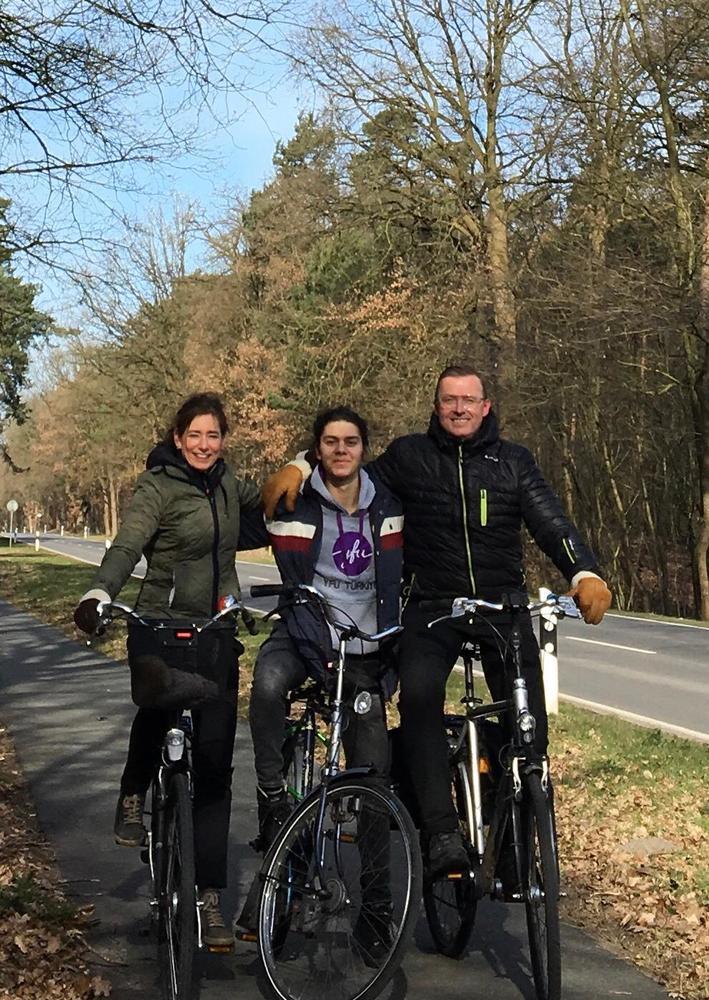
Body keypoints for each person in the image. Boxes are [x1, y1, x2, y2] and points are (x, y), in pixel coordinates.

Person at [263, 365, 612, 877]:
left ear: (486, 407)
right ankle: (442, 832)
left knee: (526, 719)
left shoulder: (513, 462)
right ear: (436, 406)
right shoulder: (409, 457)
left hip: (501, 605)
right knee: (420, 697)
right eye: (449, 399)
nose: (459, 408)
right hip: (433, 606)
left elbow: (550, 520)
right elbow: (345, 472)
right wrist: (299, 465)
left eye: (469, 400)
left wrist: (583, 571)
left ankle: (517, 837)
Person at [73, 392, 262, 950]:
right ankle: (134, 790)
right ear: (178, 438)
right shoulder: (157, 487)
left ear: (222, 439)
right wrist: (99, 591)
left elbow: (277, 499)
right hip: (157, 623)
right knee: (155, 700)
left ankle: (207, 896)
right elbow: (128, 545)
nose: (205, 445)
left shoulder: (231, 485)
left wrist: (304, 466)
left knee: (214, 766)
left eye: (214, 435)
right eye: (195, 435)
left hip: (216, 631)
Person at [236, 404, 403, 953]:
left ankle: (376, 914)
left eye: (350, 441)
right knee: (265, 684)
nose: (340, 450)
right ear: (316, 450)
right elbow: (217, 522)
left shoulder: (391, 504)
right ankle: (271, 795)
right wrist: (292, 467)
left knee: (373, 781)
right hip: (303, 635)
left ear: (364, 448)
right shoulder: (291, 500)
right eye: (328, 442)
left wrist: (394, 655)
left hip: (364, 650)